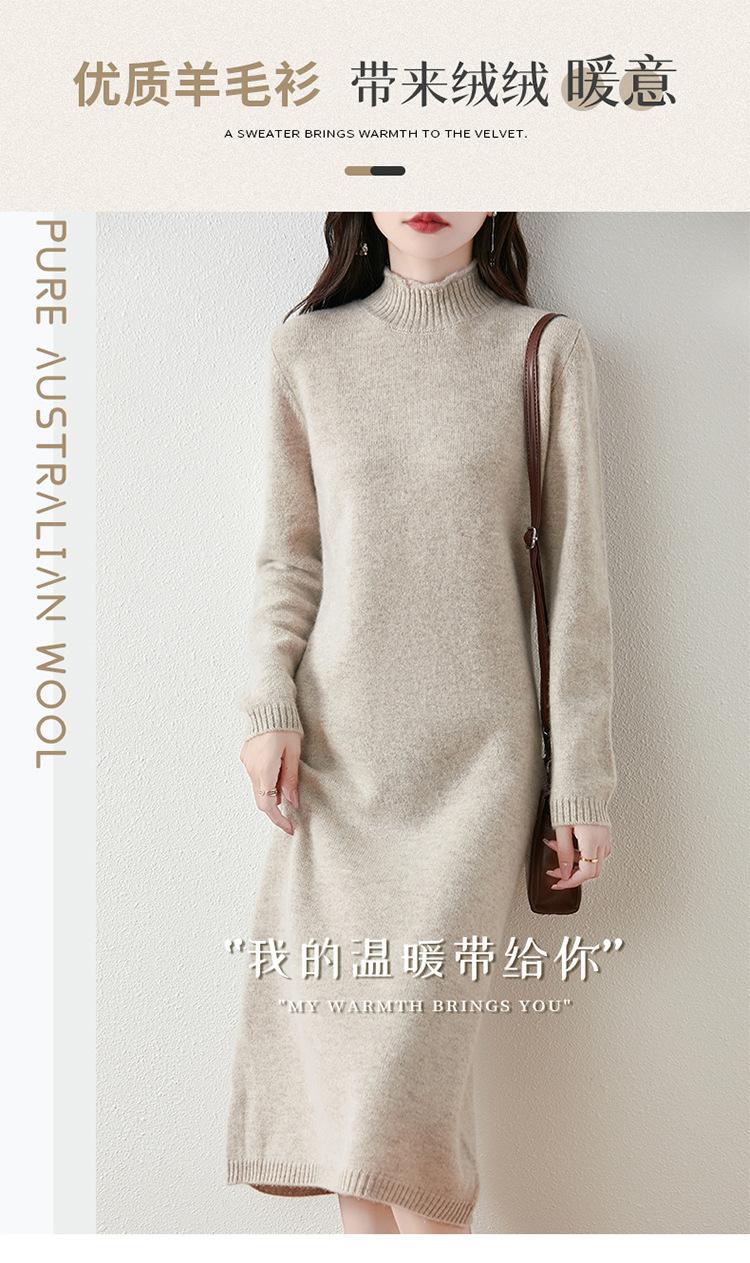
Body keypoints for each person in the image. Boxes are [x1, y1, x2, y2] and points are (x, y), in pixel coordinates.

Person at [226, 211, 617, 1234]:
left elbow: (577, 585)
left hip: (477, 772)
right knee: (353, 1087)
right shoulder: (306, 351)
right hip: (337, 765)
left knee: (408, 1084)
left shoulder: (543, 350)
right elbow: (290, 555)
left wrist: (582, 778)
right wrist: (268, 702)